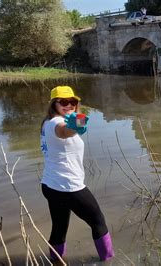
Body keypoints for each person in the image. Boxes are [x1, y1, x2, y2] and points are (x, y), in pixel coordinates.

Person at [40, 85, 114, 263]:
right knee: (98, 221)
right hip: (69, 187)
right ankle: (109, 260)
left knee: (59, 227)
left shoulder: (46, 123)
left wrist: (78, 124)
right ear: (53, 104)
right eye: (63, 102)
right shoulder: (56, 124)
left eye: (72, 101)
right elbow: (64, 131)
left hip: (50, 185)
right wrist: (74, 127)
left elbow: (71, 129)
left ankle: (56, 261)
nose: (69, 105)